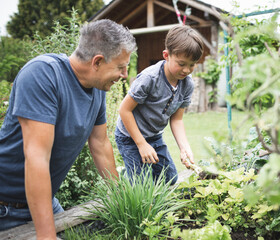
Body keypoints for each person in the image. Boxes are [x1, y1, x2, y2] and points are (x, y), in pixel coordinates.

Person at [0, 19, 137, 239]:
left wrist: (122, 202)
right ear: (97, 61)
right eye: (121, 67)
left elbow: (100, 144)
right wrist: (47, 236)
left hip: (44, 202)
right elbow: (37, 158)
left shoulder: (97, 88)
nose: (124, 74)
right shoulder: (42, 75)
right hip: (5, 208)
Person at [115, 24, 204, 185]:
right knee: (140, 187)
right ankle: (127, 181)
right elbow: (124, 110)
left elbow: (177, 120)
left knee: (169, 179)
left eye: (192, 64)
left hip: (154, 136)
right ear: (166, 55)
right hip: (129, 136)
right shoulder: (150, 78)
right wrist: (141, 144)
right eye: (182, 63)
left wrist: (184, 148)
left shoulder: (187, 85)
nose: (186, 70)